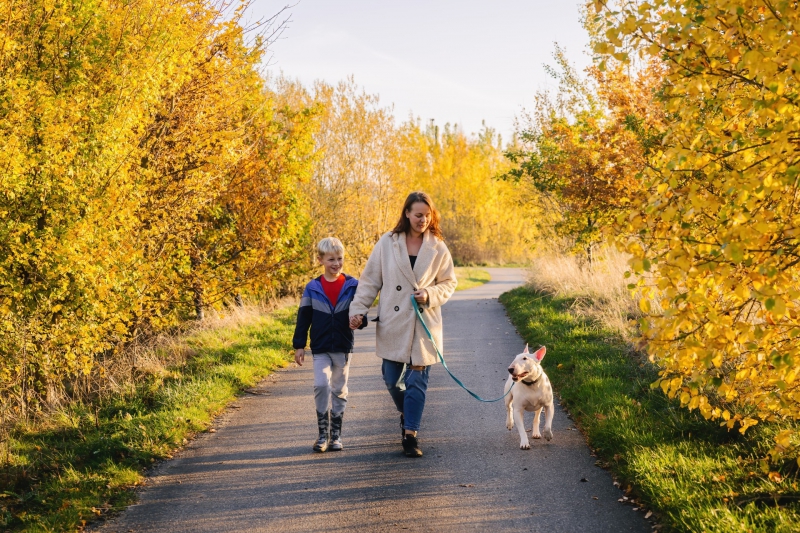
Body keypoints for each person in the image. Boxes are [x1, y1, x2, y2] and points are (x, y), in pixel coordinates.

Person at [349, 192, 457, 457]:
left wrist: (429, 294)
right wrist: (358, 310)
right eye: (418, 214)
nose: (423, 220)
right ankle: (407, 413)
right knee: (391, 379)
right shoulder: (388, 243)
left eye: (427, 215)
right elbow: (370, 281)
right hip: (393, 322)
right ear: (407, 213)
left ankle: (410, 436)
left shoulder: (438, 246)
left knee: (417, 381)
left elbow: (449, 283)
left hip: (423, 322)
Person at [293, 237, 366, 453]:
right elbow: (303, 317)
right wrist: (299, 345)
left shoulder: (353, 285)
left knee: (339, 389)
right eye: (331, 259)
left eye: (339, 258)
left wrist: (360, 321)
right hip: (320, 346)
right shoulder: (312, 287)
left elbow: (361, 314)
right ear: (320, 260)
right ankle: (322, 434)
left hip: (343, 346)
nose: (336, 263)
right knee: (321, 385)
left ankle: (336, 435)